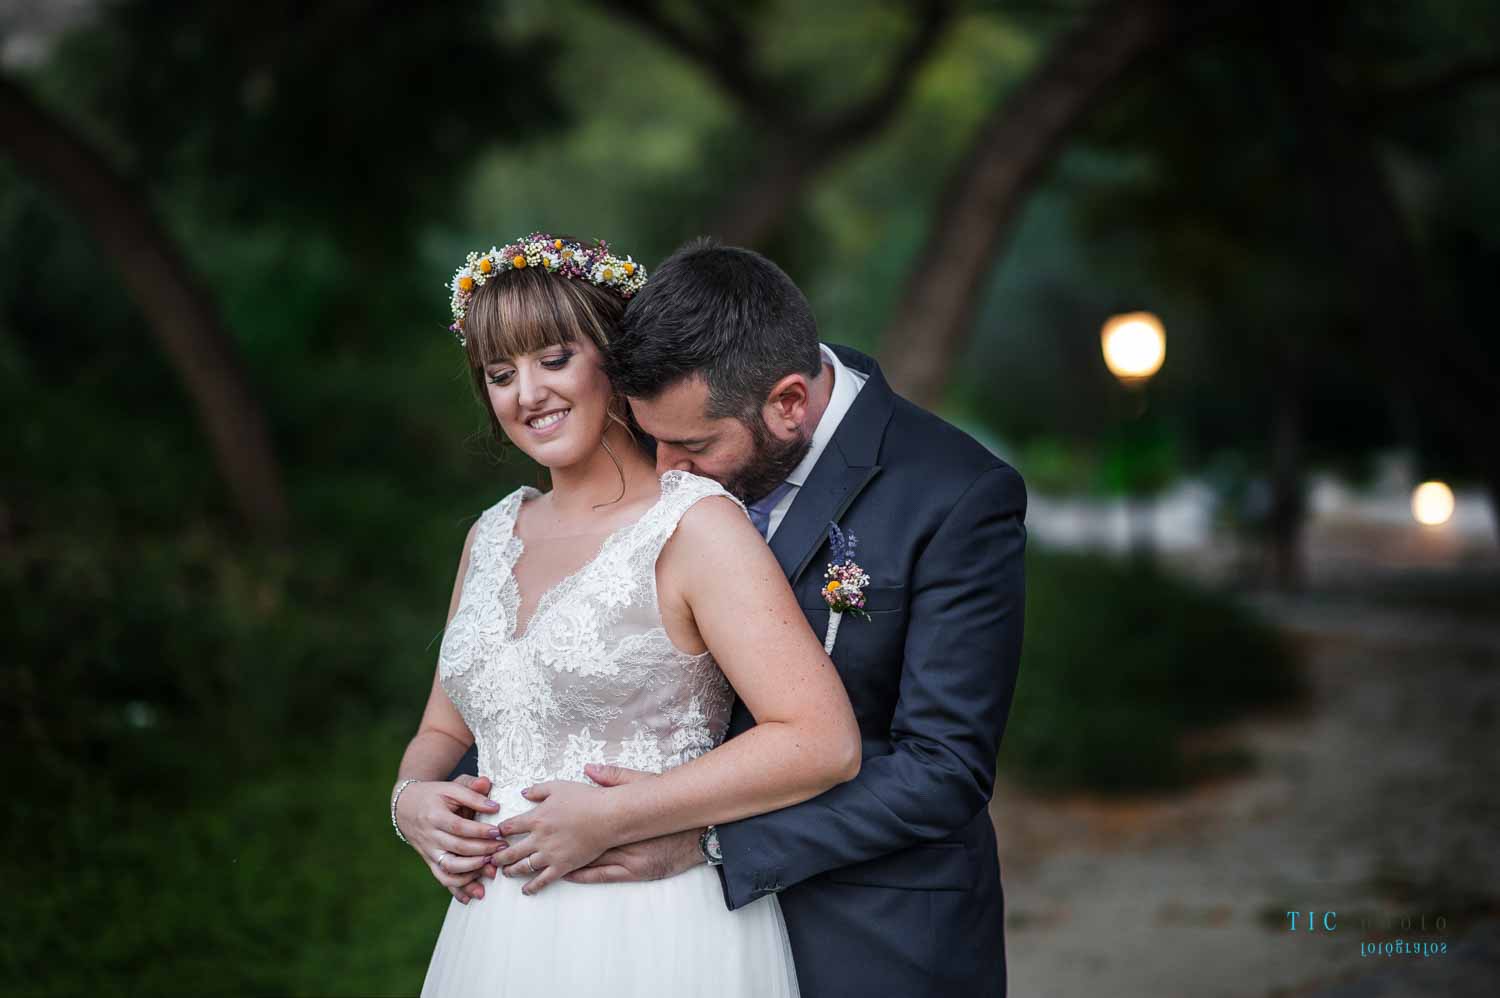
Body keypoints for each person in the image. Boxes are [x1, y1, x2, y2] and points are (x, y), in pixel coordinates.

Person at [460, 237, 1029, 997]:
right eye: (651, 438)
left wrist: (710, 842)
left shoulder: (955, 495)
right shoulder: (650, 483)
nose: (666, 472)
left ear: (788, 403)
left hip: (870, 933)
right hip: (656, 936)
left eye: (692, 446)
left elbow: (945, 767)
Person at [392, 233, 861, 998]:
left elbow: (819, 740)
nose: (527, 393)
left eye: (553, 358)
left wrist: (619, 816)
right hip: (498, 936)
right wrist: (410, 799)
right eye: (499, 373)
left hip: (651, 924)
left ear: (613, 356)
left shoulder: (695, 525)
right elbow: (446, 730)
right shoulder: (490, 534)